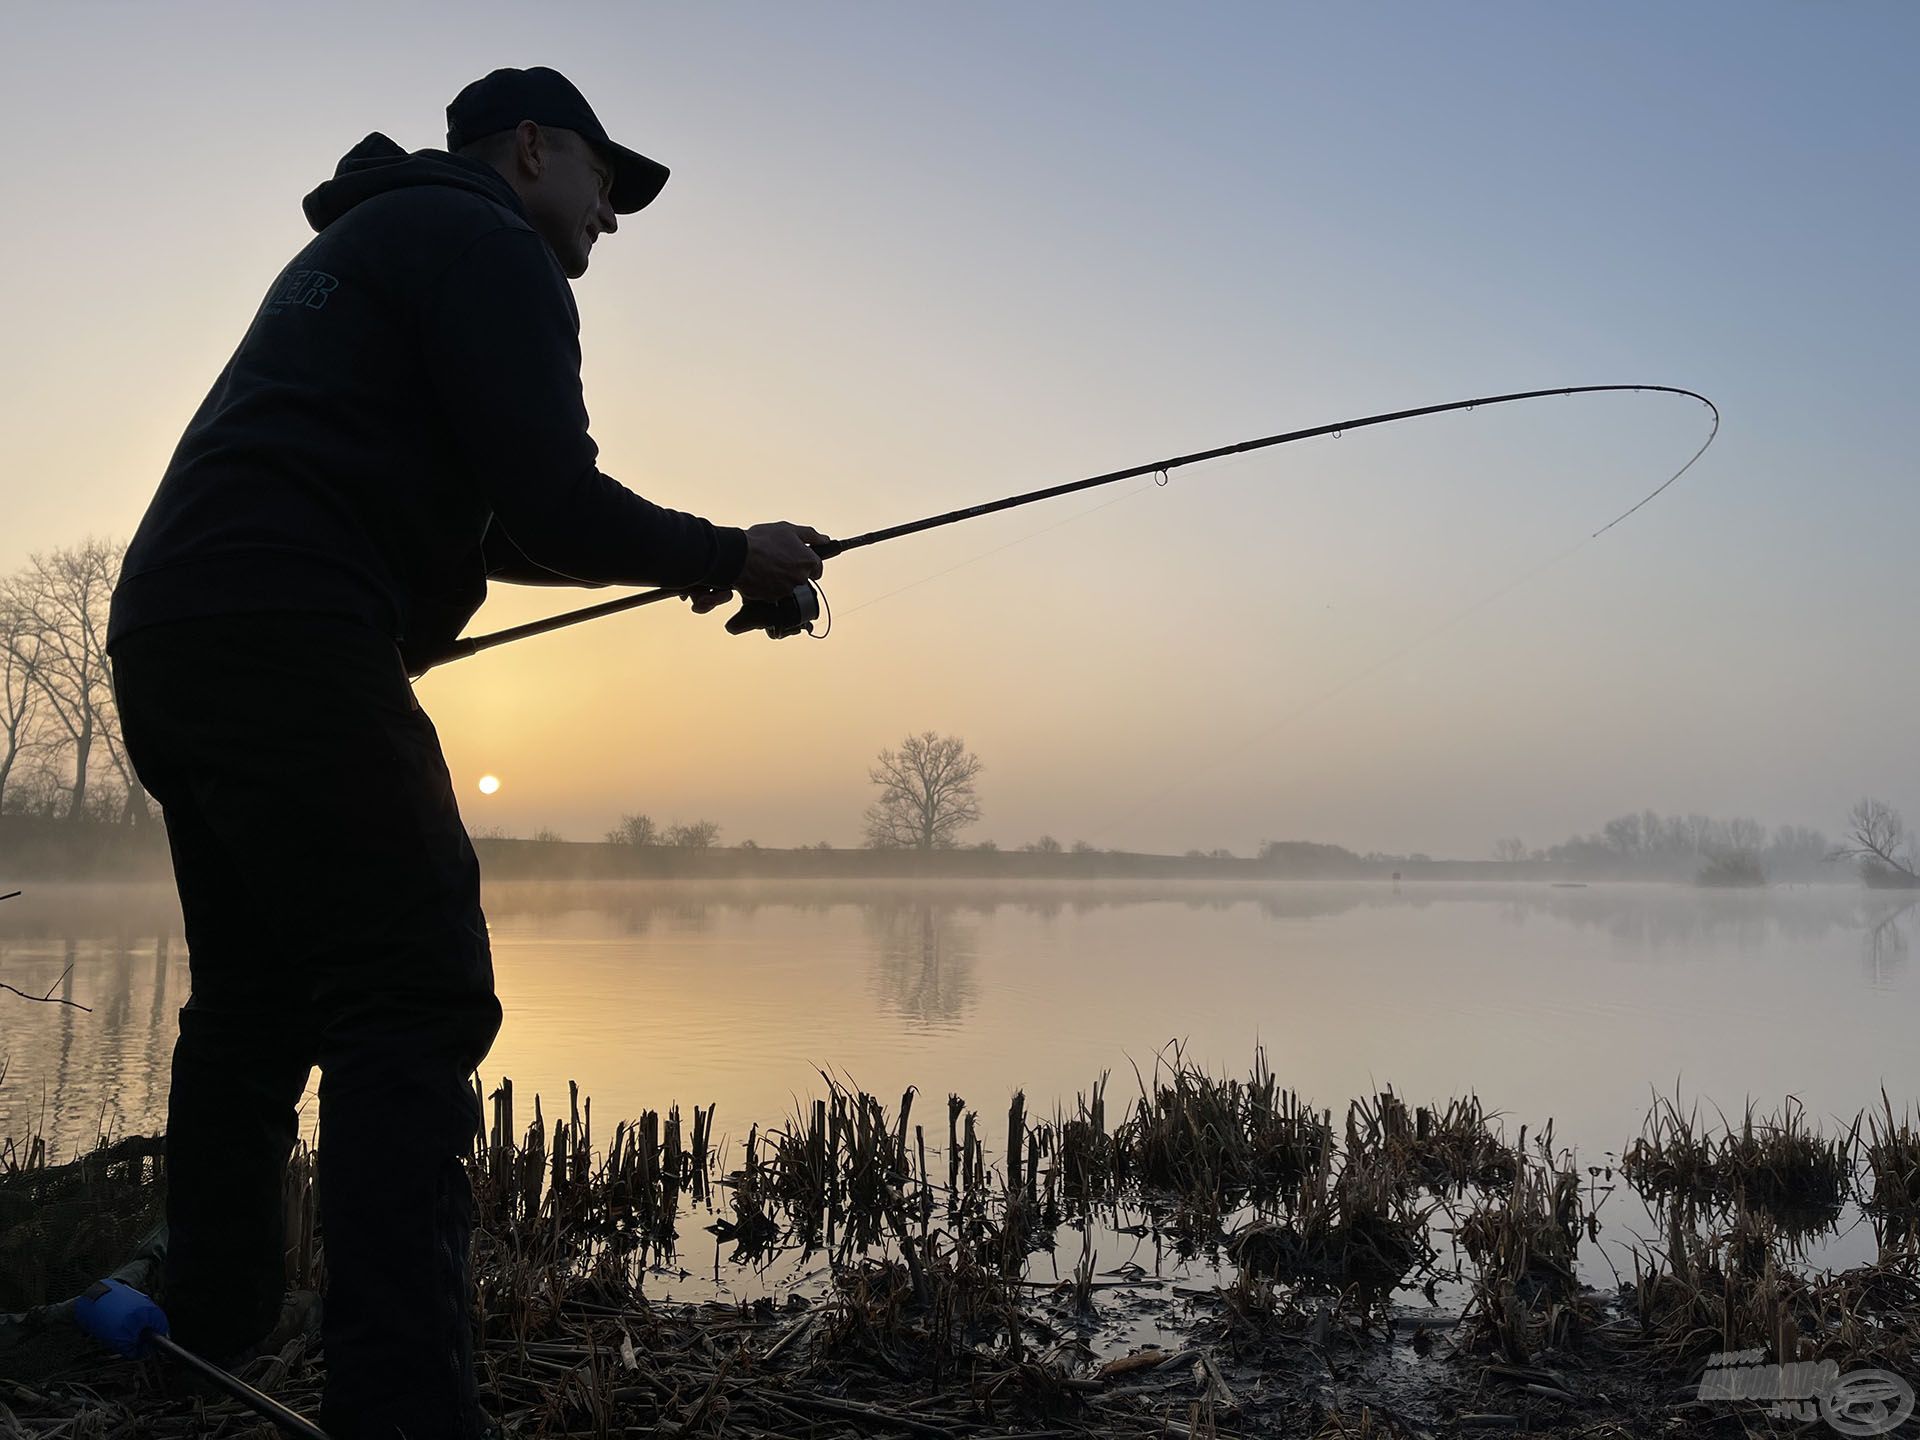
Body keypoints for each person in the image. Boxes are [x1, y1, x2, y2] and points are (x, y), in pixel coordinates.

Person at [106, 66, 825, 1440]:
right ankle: (405, 1407)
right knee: (415, 993)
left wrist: (704, 565)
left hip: (178, 629)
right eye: (607, 184)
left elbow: (505, 522)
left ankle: (210, 1317)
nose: (613, 220)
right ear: (535, 149)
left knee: (256, 1003)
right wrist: (734, 552)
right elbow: (554, 493)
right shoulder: (489, 245)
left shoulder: (373, 239)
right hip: (287, 627)